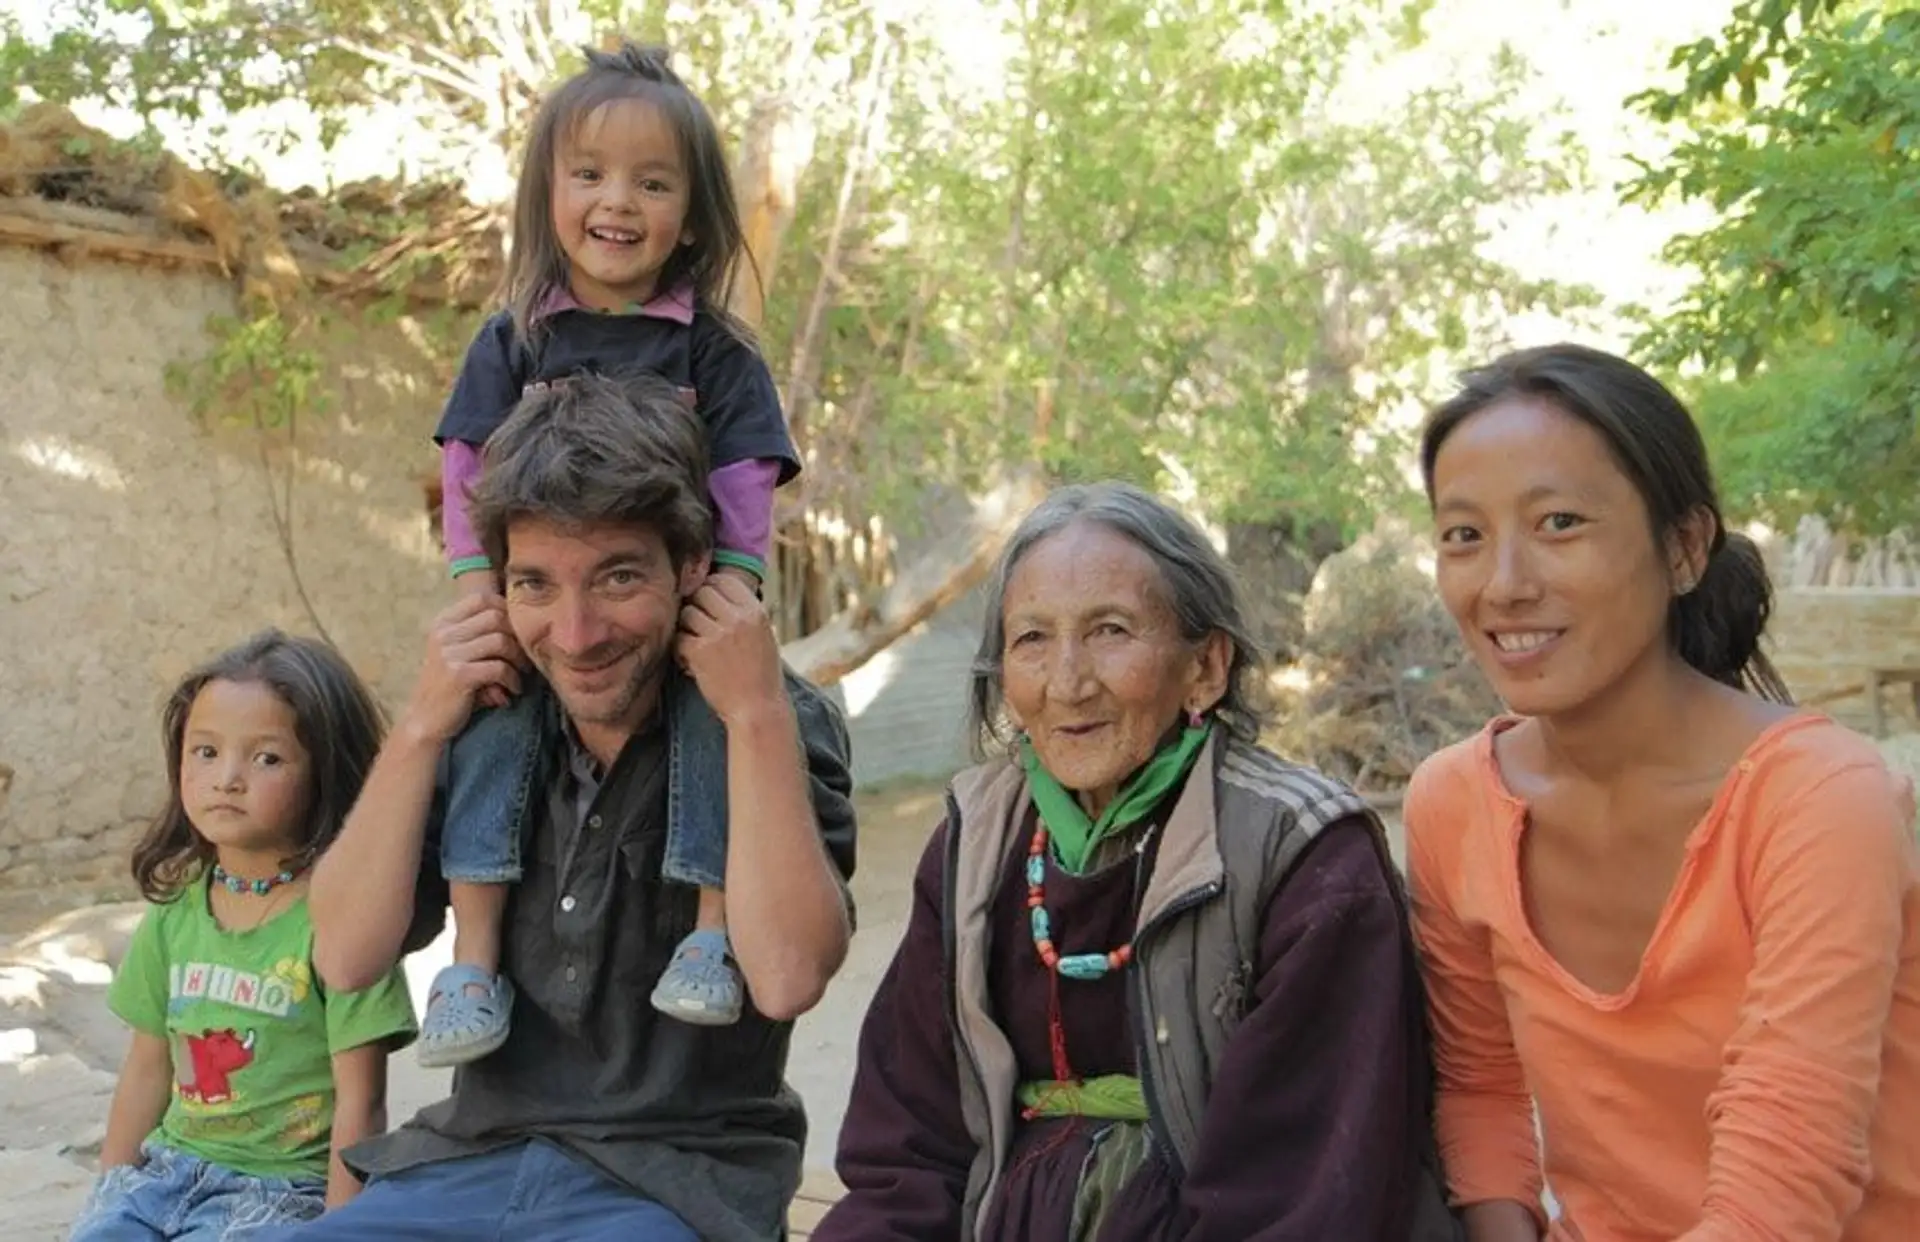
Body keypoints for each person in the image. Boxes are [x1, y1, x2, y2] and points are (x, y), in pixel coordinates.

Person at [815, 482, 1462, 1242]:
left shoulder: (1305, 854)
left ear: (1207, 668)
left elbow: (1307, 1197)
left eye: (1110, 630)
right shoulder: (978, 839)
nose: (1067, 681)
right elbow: (906, 1148)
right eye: (1031, 640)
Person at [296, 371, 855, 1242]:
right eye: (536, 586)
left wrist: (753, 715)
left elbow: (785, 977)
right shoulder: (487, 716)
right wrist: (416, 729)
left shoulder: (771, 719)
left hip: (674, 1186)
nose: (576, 632)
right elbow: (343, 956)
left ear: (696, 565)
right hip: (464, 1168)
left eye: (618, 576)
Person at [1406, 343, 1920, 1241]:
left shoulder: (1815, 799)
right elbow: (1482, 1088)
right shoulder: (1453, 803)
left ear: (1682, 547)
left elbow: (1782, 1192)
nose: (1505, 584)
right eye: (1464, 536)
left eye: (1559, 522)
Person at [422, 38, 800, 1065]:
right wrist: (476, 586)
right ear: (548, 191)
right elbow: (464, 468)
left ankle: (709, 938)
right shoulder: (514, 343)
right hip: (538, 615)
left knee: (714, 733)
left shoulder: (713, 353)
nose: (615, 201)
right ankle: (472, 960)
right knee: (488, 729)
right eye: (588, 173)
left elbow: (745, 484)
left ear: (693, 212)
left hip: (675, 618)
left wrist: (731, 594)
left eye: (651, 180)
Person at [69, 632, 418, 1240]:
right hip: (167, 1173)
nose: (227, 778)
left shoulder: (346, 927)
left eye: (267, 759)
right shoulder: (177, 912)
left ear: (326, 773)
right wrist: (112, 1192)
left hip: (281, 1191)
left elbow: (362, 1103)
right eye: (204, 751)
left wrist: (340, 1229)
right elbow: (148, 1067)